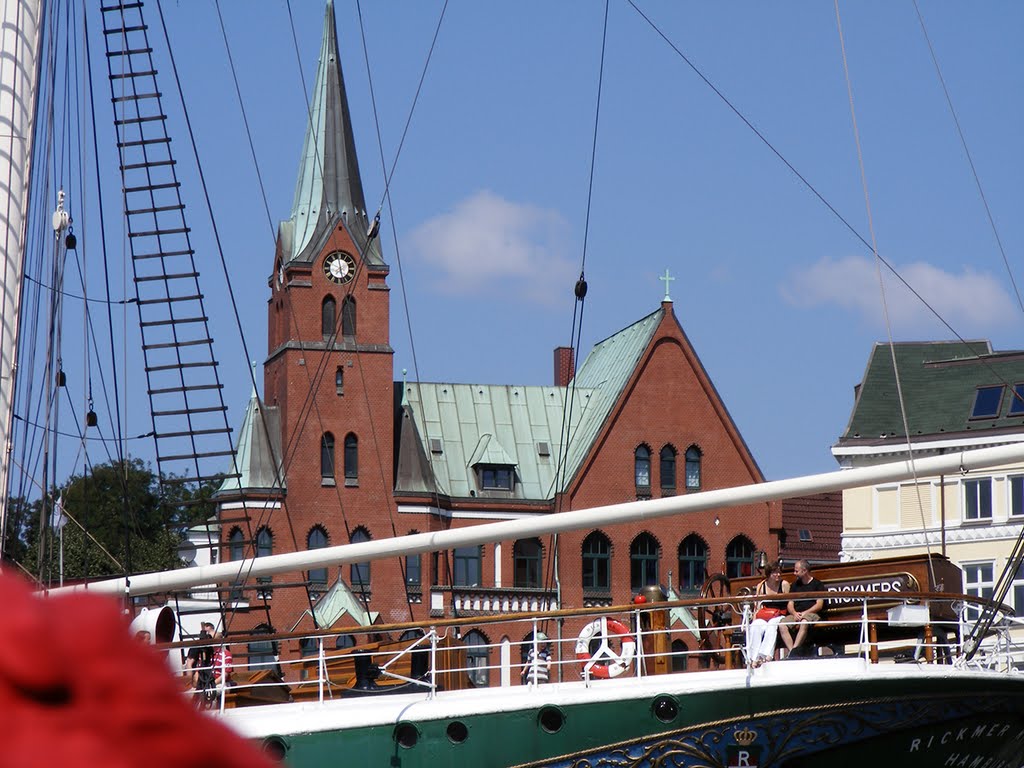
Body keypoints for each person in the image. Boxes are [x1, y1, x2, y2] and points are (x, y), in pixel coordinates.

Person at [746, 563, 790, 668]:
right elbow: (758, 605)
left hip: (780, 613)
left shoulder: (784, 584)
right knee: (755, 626)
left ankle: (765, 656)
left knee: (772, 624)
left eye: (779, 572)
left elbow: (789, 602)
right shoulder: (761, 586)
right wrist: (755, 617)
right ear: (769, 573)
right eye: (775, 572)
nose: (778, 575)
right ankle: (753, 658)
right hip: (765, 614)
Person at [779, 560, 826, 657]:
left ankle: (793, 652)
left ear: (804, 571)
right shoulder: (795, 585)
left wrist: (805, 613)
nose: (794, 573)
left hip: (812, 614)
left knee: (804, 622)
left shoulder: (817, 584)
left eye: (796, 571)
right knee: (782, 624)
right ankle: (793, 653)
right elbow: (790, 603)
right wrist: (794, 613)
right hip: (796, 614)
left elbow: (819, 605)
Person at [185, 622, 216, 696]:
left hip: (210, 678)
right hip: (198, 679)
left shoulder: (212, 649)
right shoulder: (196, 648)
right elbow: (189, 663)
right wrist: (190, 681)